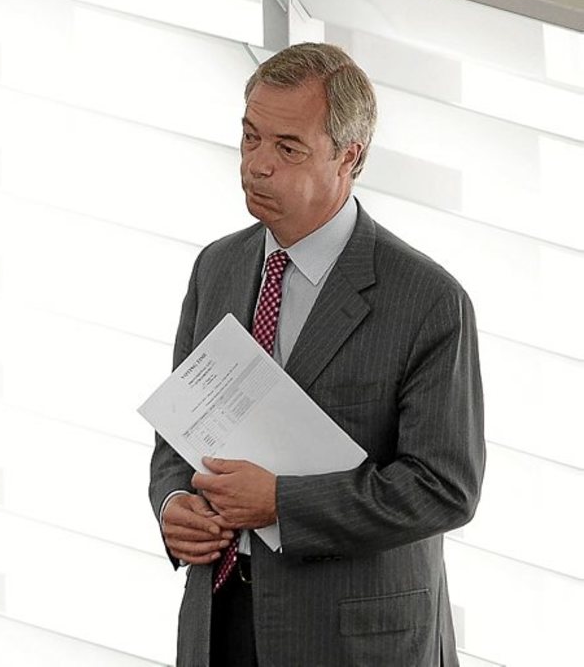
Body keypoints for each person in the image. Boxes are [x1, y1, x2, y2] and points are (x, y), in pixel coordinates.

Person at [148, 42, 485, 667]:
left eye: (288, 148)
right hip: (220, 619)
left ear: (348, 156)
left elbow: (445, 488)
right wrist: (174, 505)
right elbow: (181, 432)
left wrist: (281, 504)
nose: (256, 165)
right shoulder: (216, 267)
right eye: (250, 137)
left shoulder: (429, 300)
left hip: (353, 640)